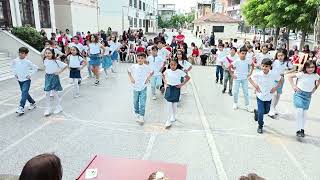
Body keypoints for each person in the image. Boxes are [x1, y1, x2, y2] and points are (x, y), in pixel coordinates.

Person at [249, 58, 283, 134]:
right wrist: (256, 86)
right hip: (260, 96)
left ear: (270, 67)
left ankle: (257, 112)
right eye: (263, 66)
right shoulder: (258, 74)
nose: (264, 68)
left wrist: (275, 88)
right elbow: (249, 78)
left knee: (266, 111)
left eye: (266, 66)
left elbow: (281, 79)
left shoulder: (273, 74)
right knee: (262, 112)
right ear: (261, 66)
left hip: (269, 96)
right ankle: (260, 126)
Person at [288, 60, 320, 137]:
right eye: (308, 67)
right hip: (299, 94)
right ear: (305, 67)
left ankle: (302, 129)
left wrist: (315, 88)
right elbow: (290, 76)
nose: (310, 69)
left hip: (308, 96)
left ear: (315, 67)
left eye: (312, 67)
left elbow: (318, 80)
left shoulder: (315, 75)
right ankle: (298, 130)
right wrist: (294, 86)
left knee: (304, 114)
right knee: (299, 111)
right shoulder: (302, 74)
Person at [163, 59, 190, 128]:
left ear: (177, 65)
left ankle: (173, 116)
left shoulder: (180, 72)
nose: (173, 66)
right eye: (171, 64)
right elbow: (163, 75)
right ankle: (168, 120)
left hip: (176, 88)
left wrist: (181, 84)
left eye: (174, 65)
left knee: (174, 104)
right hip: (169, 88)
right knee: (169, 104)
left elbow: (188, 78)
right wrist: (165, 82)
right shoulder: (167, 70)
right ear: (169, 65)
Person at [128, 52, 154, 125]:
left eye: (142, 58)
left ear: (144, 59)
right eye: (139, 58)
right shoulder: (133, 66)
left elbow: (152, 72)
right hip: (135, 87)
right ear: (137, 58)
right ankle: (137, 113)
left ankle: (142, 116)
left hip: (143, 87)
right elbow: (128, 71)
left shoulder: (147, 67)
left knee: (142, 103)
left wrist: (148, 78)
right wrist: (131, 78)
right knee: (135, 101)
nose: (140, 59)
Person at [11, 47, 38, 115]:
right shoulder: (15, 60)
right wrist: (15, 74)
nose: (20, 54)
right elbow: (13, 67)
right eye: (19, 52)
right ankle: (32, 103)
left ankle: (21, 107)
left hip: (26, 80)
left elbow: (35, 68)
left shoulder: (27, 62)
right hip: (20, 80)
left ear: (26, 54)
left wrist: (30, 75)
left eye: (22, 53)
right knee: (25, 93)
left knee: (24, 93)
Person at [268, 49, 294, 118]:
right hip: (273, 79)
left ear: (285, 55)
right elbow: (268, 67)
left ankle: (274, 107)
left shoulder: (287, 62)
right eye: (278, 55)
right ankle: (271, 109)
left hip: (281, 80)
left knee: (278, 94)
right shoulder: (274, 61)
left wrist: (285, 72)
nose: (280, 57)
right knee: (274, 94)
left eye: (281, 55)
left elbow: (293, 68)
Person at [43, 48, 68, 116]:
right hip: (47, 77)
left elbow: (65, 66)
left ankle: (59, 107)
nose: (47, 54)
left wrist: (59, 72)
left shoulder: (56, 61)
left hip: (54, 77)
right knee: (47, 93)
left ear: (52, 54)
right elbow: (46, 67)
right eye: (46, 53)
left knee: (55, 93)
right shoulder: (45, 60)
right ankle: (47, 109)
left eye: (49, 53)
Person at [229, 46, 254, 112]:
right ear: (239, 53)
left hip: (245, 79)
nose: (244, 55)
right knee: (235, 92)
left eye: (245, 53)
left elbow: (252, 65)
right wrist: (232, 74)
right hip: (237, 78)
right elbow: (229, 66)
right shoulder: (237, 61)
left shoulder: (248, 60)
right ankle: (235, 103)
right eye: (242, 53)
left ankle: (247, 105)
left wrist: (250, 73)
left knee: (246, 92)